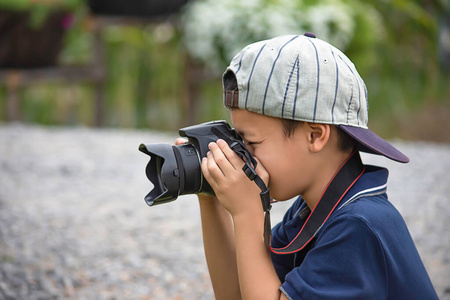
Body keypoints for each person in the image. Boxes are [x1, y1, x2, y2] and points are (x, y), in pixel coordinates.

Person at [176, 33, 438, 299]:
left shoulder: (358, 225)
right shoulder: (310, 211)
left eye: (251, 142)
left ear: (315, 136)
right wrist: (210, 197)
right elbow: (238, 294)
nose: (243, 156)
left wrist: (247, 213)